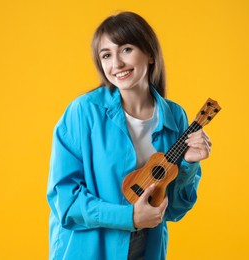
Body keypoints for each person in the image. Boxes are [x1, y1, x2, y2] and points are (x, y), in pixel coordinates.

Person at [47, 11, 212, 260]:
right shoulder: (83, 113)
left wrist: (189, 164)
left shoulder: (174, 116)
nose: (116, 64)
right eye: (106, 55)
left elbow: (175, 210)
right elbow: (65, 200)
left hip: (147, 250)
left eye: (126, 49)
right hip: (89, 252)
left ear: (150, 54)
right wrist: (130, 217)